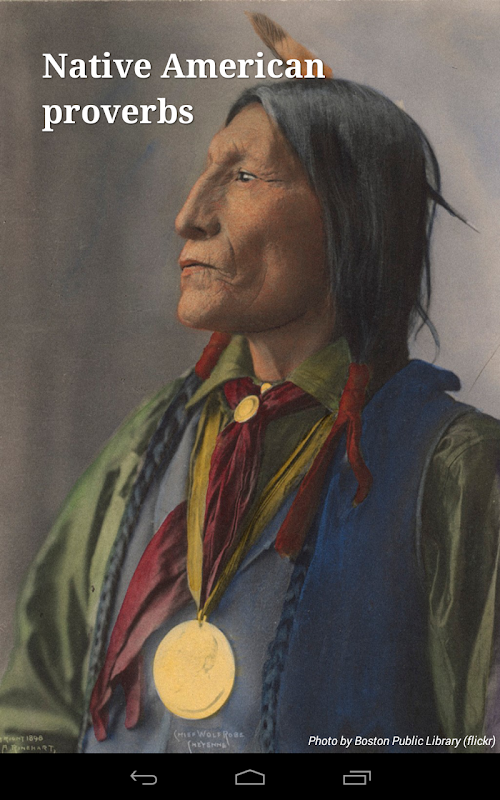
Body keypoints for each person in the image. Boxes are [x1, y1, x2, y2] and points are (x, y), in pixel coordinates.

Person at [0, 75, 499, 755]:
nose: (190, 216)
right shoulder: (152, 442)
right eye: (209, 172)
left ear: (352, 218)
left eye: (242, 176)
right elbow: (33, 715)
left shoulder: (458, 471)